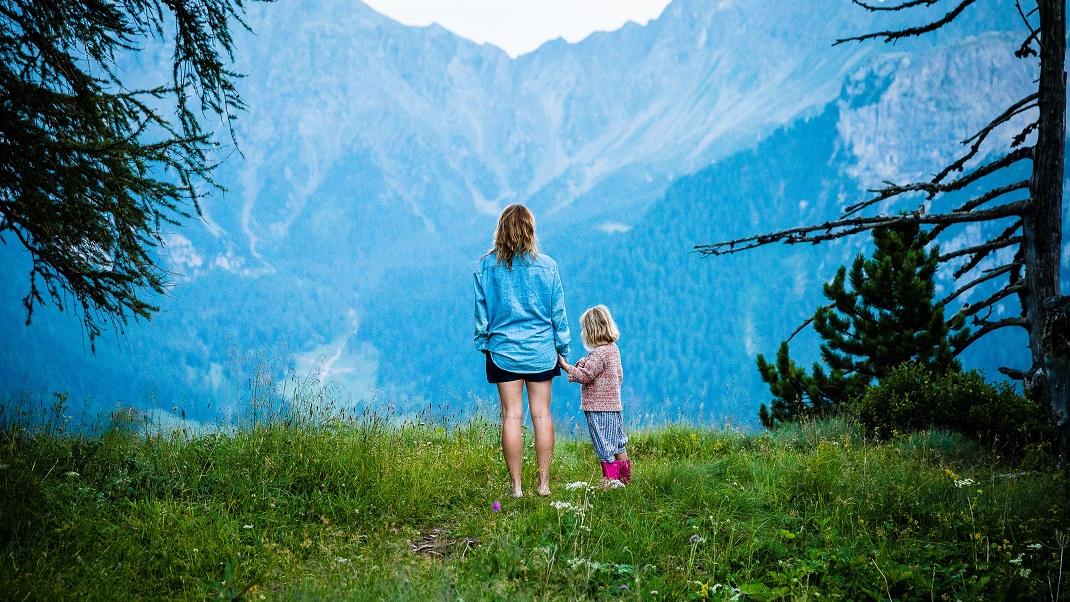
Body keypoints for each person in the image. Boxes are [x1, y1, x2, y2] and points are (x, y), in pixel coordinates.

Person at [474, 204, 571, 498]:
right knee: (542, 414)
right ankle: (543, 485)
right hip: (541, 352)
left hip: (503, 352)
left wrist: (484, 343)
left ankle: (516, 487)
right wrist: (562, 349)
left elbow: (482, 314)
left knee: (511, 416)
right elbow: (559, 314)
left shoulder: (485, 267)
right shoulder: (548, 266)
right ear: (531, 229)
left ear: (501, 230)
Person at [557, 305, 631, 485]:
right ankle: (625, 480)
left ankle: (610, 483)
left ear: (591, 331)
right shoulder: (613, 349)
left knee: (604, 445)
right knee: (619, 442)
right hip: (614, 406)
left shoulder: (598, 353)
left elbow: (586, 376)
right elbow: (616, 374)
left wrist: (565, 366)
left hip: (598, 409)